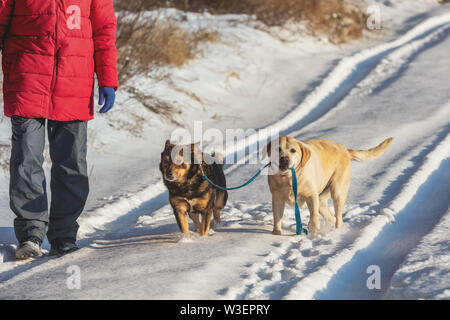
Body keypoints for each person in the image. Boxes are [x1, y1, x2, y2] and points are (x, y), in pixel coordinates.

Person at [0, 0, 118, 259]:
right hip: (26, 81)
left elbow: (104, 31)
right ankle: (31, 233)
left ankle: (64, 235)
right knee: (26, 160)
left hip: (74, 85)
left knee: (71, 163)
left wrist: (108, 78)